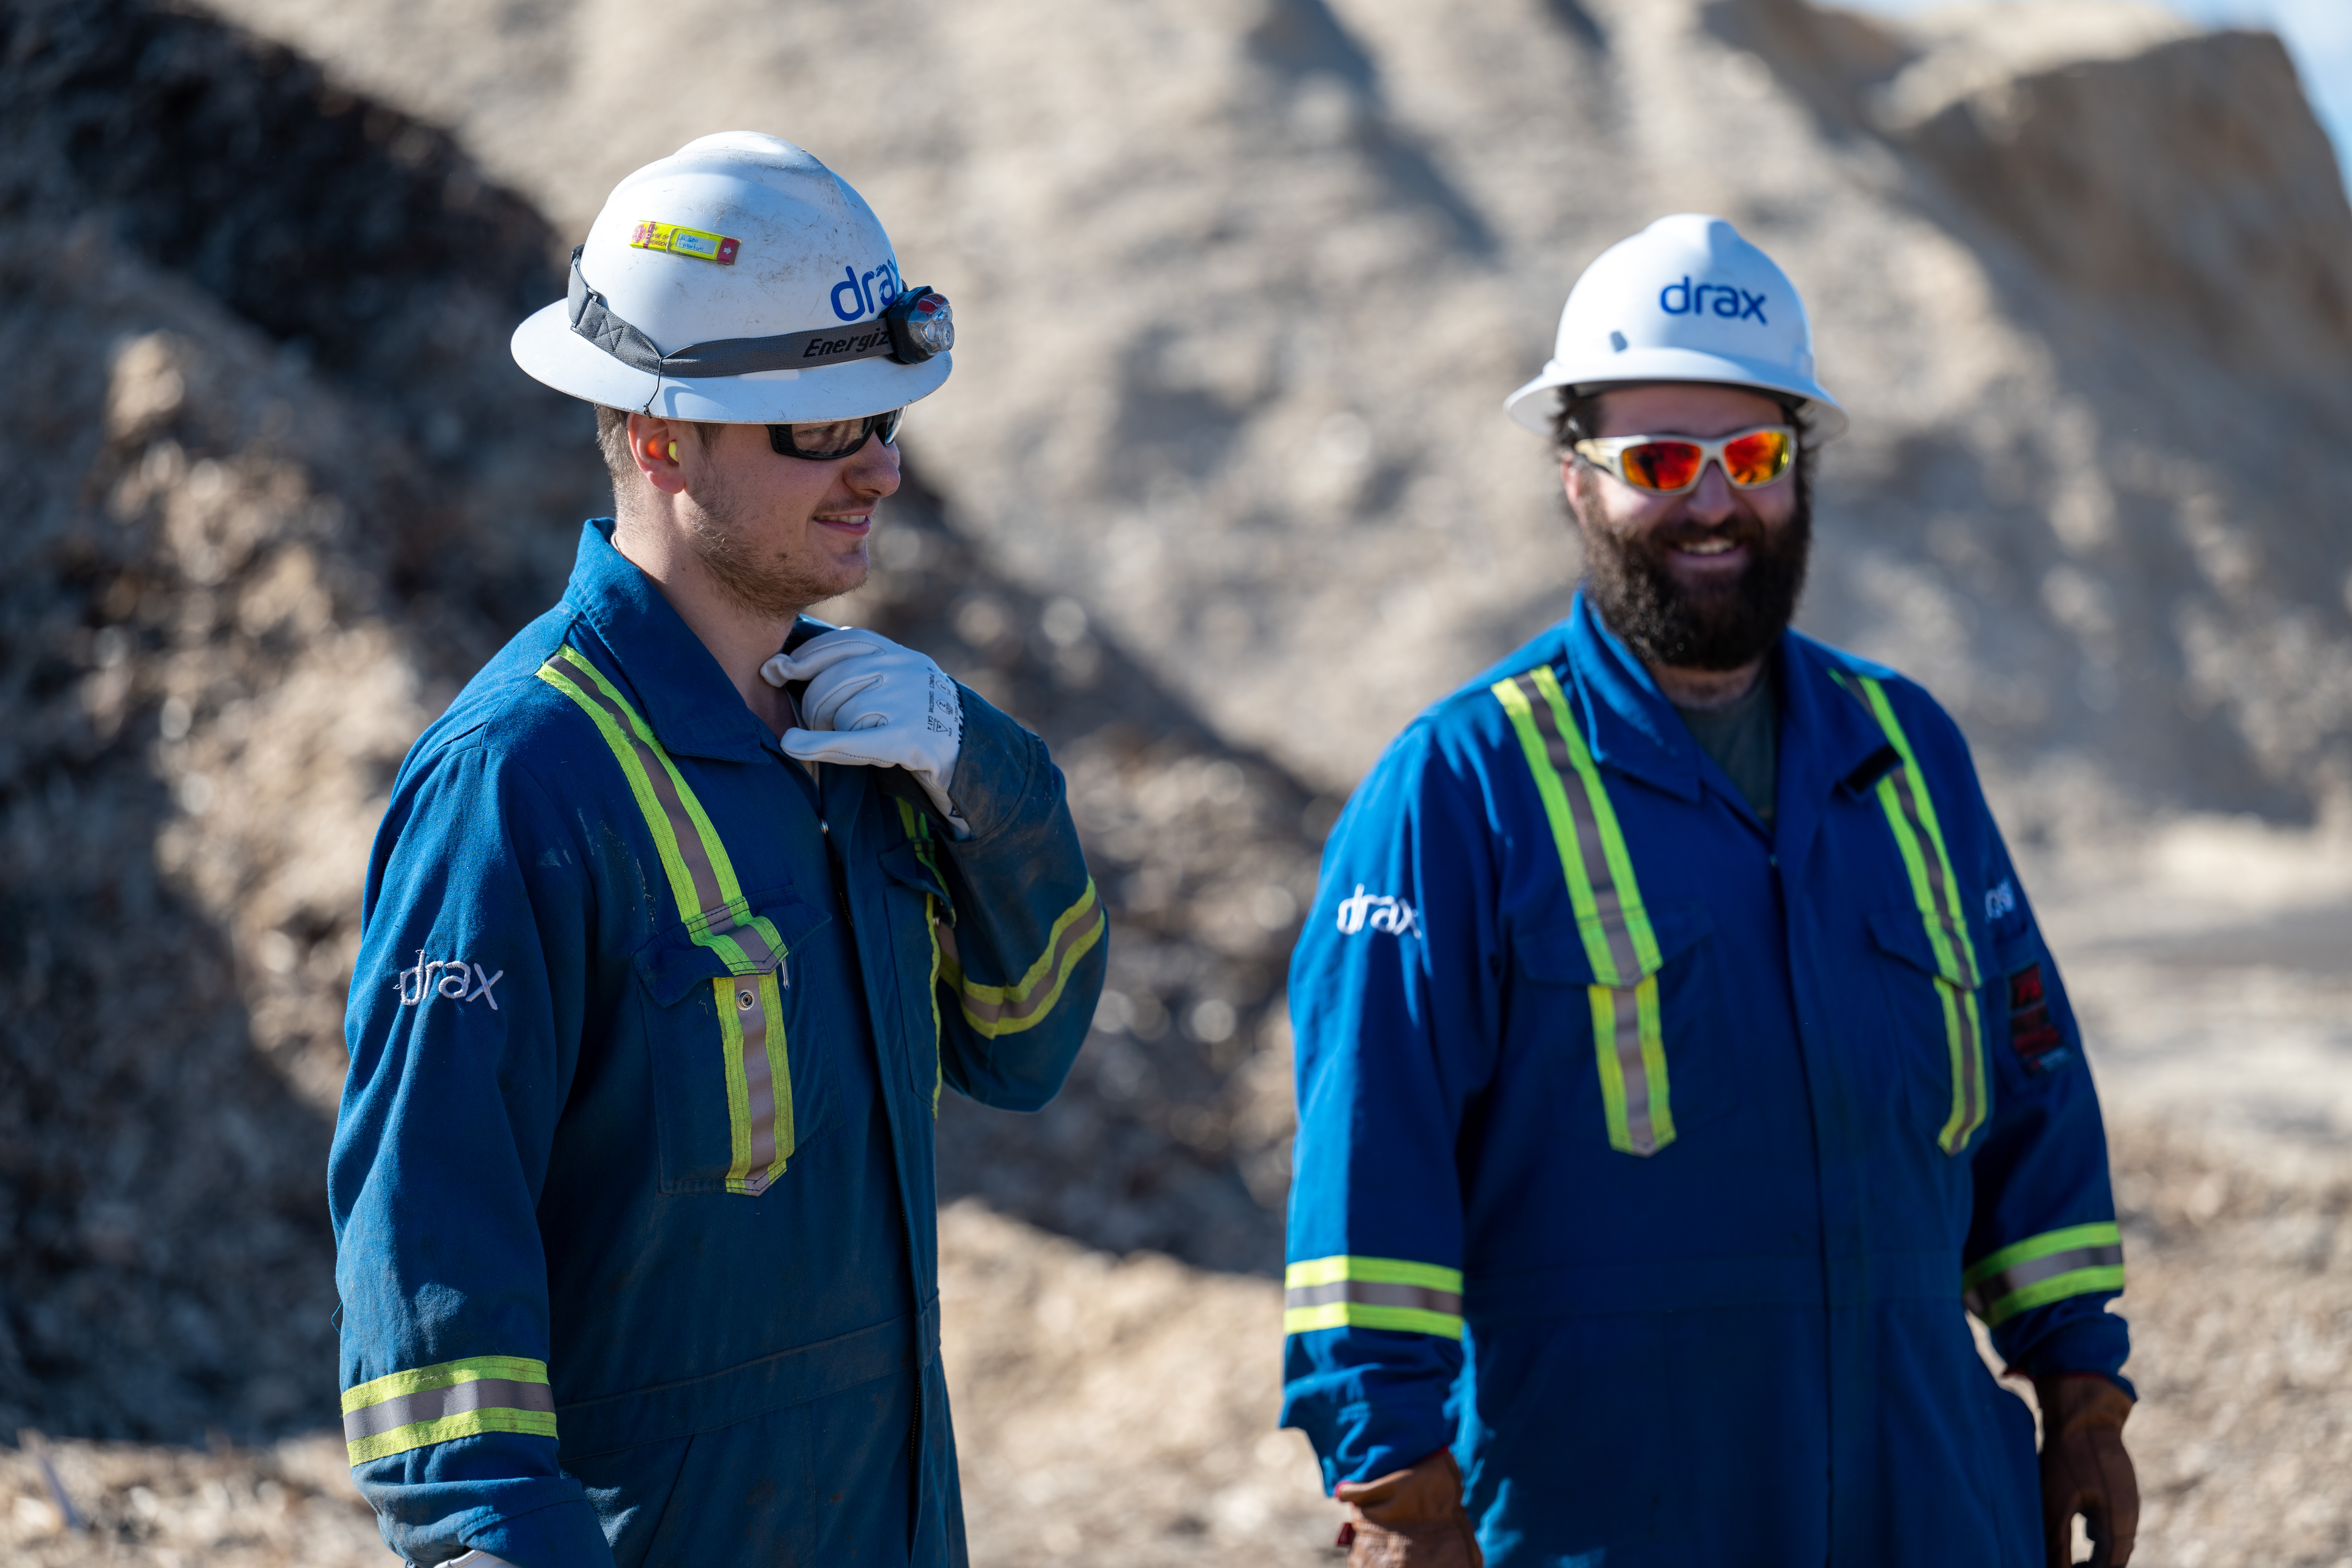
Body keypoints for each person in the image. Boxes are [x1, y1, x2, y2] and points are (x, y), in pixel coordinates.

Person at [1280, 214, 2137, 1568]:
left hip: (1932, 1501)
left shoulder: (1907, 751)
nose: (1715, 503)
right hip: (1613, 1512)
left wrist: (2082, 1386)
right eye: (1660, 463)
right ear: (1576, 478)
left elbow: (2033, 1087)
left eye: (1753, 457)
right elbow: (1366, 1171)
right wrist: (1393, 1485)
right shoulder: (1460, 783)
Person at [330, 133, 1106, 1567]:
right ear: (663, 434)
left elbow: (1027, 1045)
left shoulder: (866, 745)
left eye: (887, 419)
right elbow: (431, 1287)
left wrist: (989, 780)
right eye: (821, 428)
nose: (878, 468)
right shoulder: (517, 783)